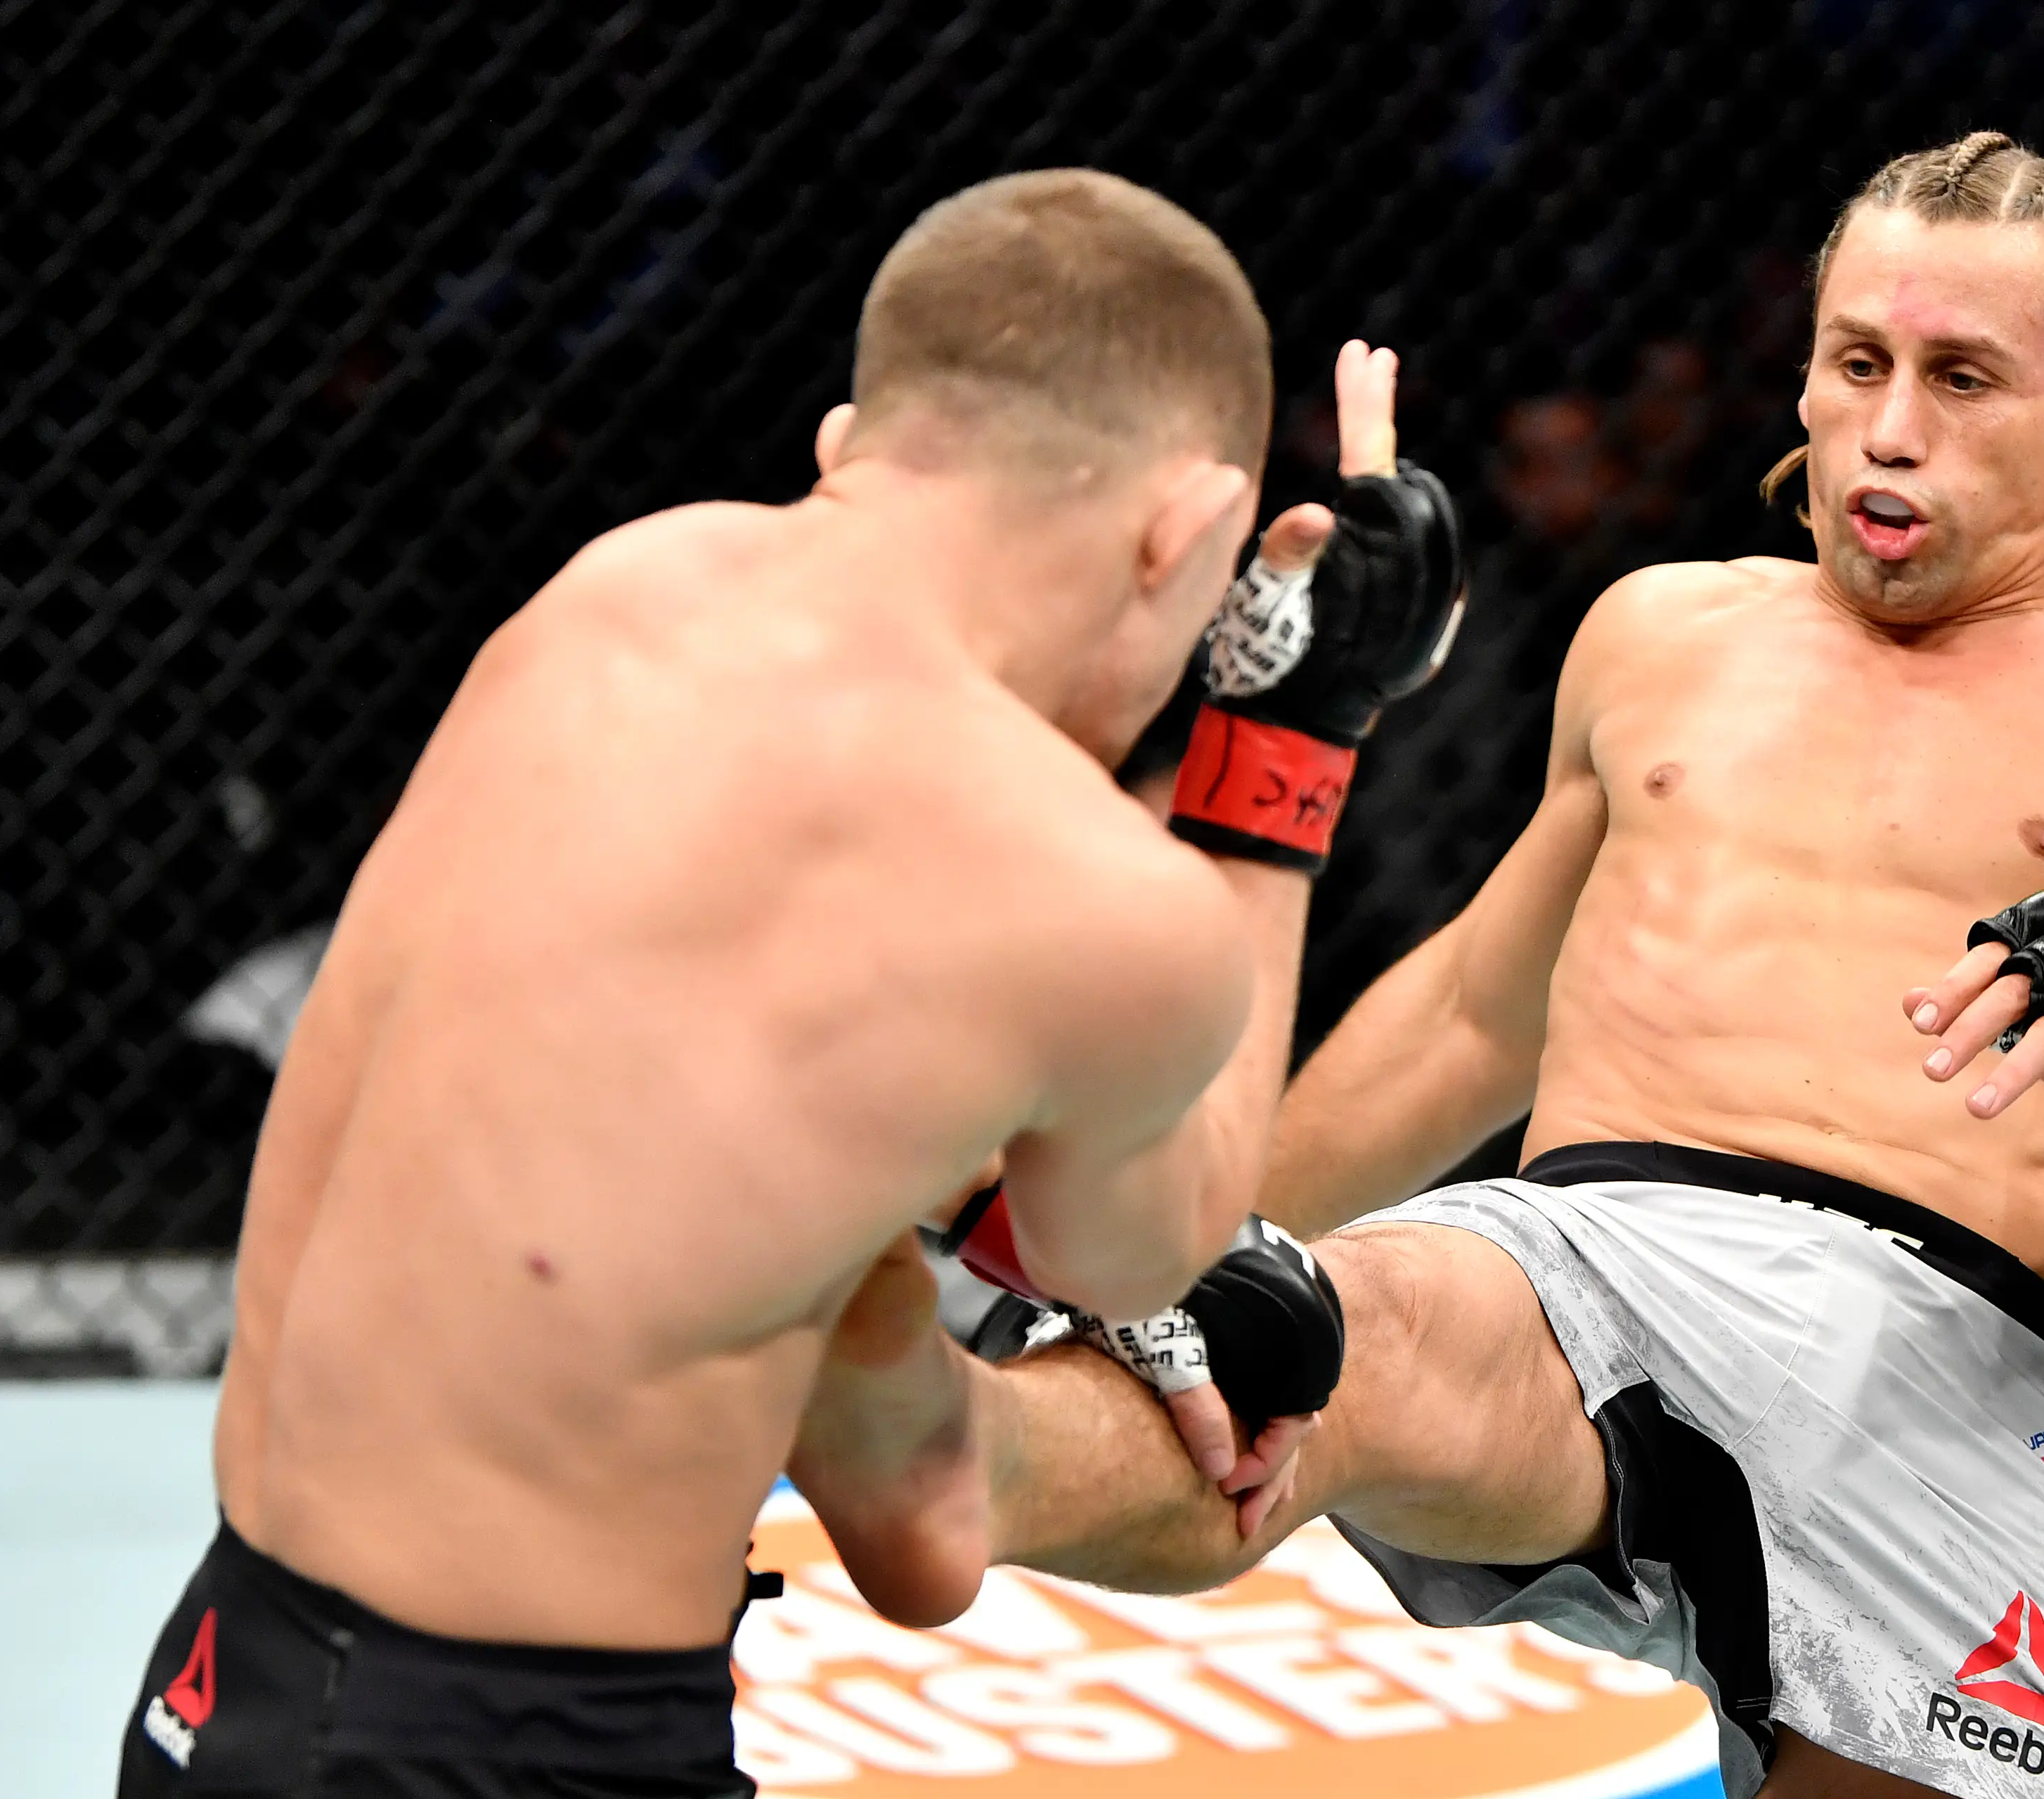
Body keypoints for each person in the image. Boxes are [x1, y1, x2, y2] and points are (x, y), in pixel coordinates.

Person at [955, 134, 2044, 1799]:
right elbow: (1479, 1012)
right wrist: (1163, 1243)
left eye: (1966, 377)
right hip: (1583, 1260)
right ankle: (902, 1444)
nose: (1893, 429)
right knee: (1319, 1350)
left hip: (1939, 1359)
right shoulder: (1660, 634)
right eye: (1859, 363)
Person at [119, 167, 1466, 1797]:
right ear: (1186, 530)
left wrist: (988, 1223)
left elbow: (922, 1520)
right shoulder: (1077, 889)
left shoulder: (608, 600)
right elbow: (1151, 1241)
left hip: (223, 1689)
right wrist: (1293, 733)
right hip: (509, 1746)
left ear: (858, 442)